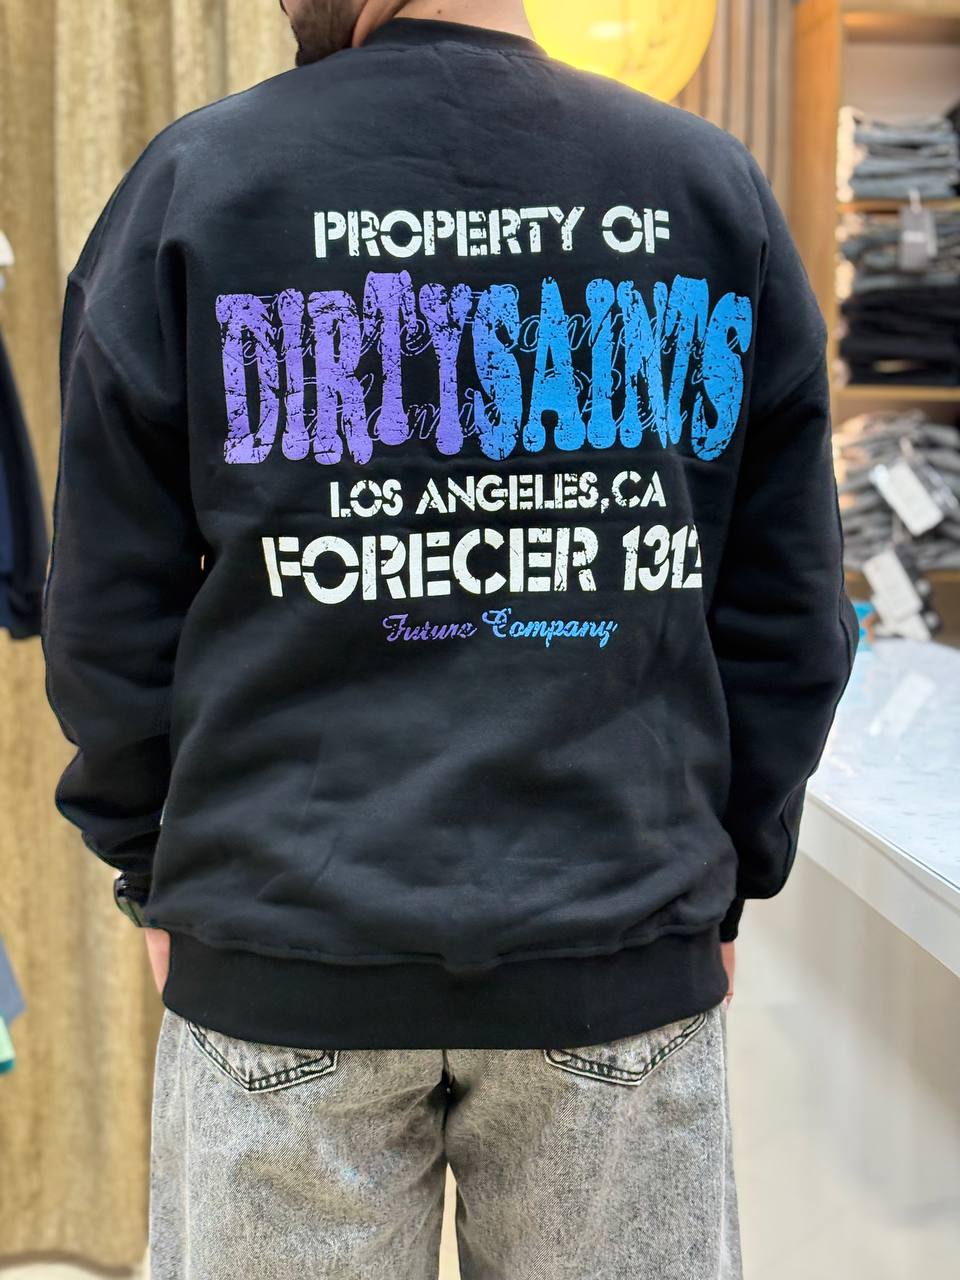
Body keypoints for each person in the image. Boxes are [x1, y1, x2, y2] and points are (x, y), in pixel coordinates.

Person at [40, 1, 858, 1275]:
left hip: (282, 934)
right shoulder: (704, 187)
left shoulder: (199, 180)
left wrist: (155, 867)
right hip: (613, 929)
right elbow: (788, 608)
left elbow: (107, 608)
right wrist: (726, 873)